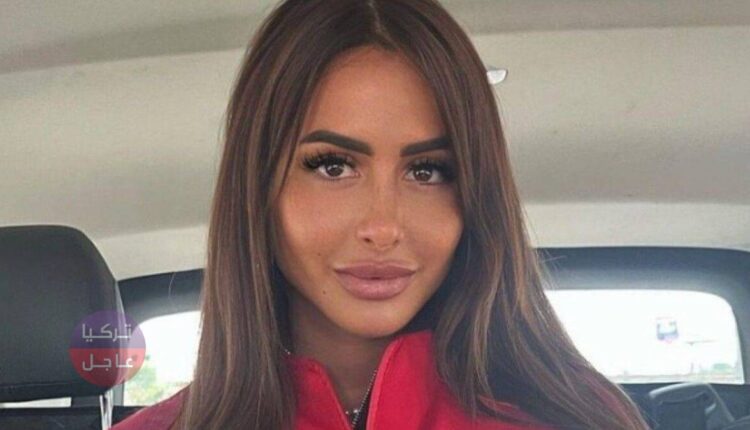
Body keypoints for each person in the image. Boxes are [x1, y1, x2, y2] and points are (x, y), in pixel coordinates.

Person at [113, 0, 650, 429]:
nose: (383, 227)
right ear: (257, 187)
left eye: (427, 171)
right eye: (333, 166)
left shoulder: (581, 420)